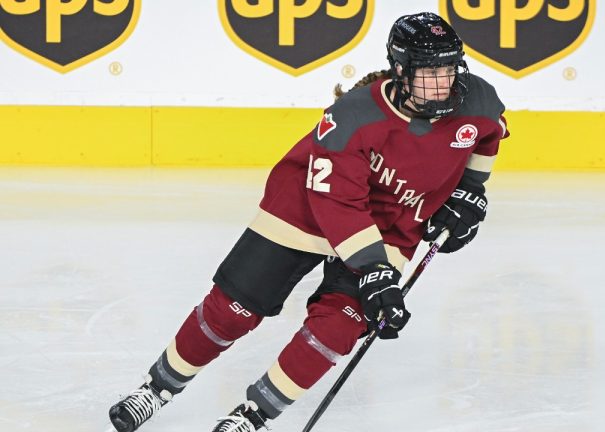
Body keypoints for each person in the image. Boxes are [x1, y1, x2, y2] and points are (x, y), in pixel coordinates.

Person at [108, 11, 508, 432]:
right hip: (304, 209)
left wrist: (471, 189)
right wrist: (374, 270)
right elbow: (338, 204)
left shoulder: (476, 99)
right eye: (430, 72)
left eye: (449, 69)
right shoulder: (352, 118)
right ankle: (156, 389)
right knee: (231, 311)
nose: (444, 83)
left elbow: (490, 133)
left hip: (391, 225)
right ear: (401, 70)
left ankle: (252, 416)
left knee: (340, 327)